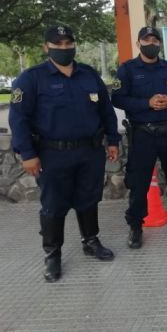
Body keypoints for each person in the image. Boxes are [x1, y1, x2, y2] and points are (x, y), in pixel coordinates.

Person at [9, 24, 120, 282]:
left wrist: (112, 140)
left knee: (89, 199)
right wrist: (27, 153)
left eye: (68, 44)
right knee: (53, 206)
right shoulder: (31, 79)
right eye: (57, 45)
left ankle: (90, 241)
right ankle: (52, 254)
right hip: (51, 155)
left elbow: (106, 111)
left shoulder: (89, 75)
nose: (64, 48)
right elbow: (19, 120)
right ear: (45, 47)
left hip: (89, 151)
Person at [112, 26, 167, 250]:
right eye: (147, 39)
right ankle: (136, 226)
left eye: (155, 40)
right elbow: (118, 99)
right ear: (139, 43)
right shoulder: (128, 70)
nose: (152, 43)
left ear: (160, 44)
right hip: (143, 133)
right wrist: (146, 103)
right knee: (139, 182)